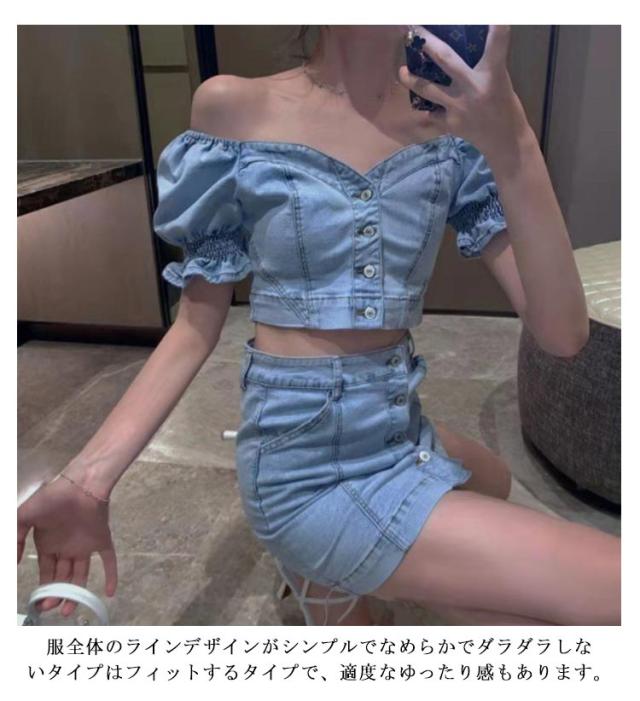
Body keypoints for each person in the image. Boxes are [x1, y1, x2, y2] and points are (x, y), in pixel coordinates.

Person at [17, 25, 620, 626]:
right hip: (303, 464)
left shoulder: (452, 124)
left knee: (493, 481)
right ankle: (332, 556)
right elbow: (195, 325)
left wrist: (513, 139)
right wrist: (88, 480)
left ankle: (337, 573)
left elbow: (563, 335)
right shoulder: (234, 106)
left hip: (395, 426)